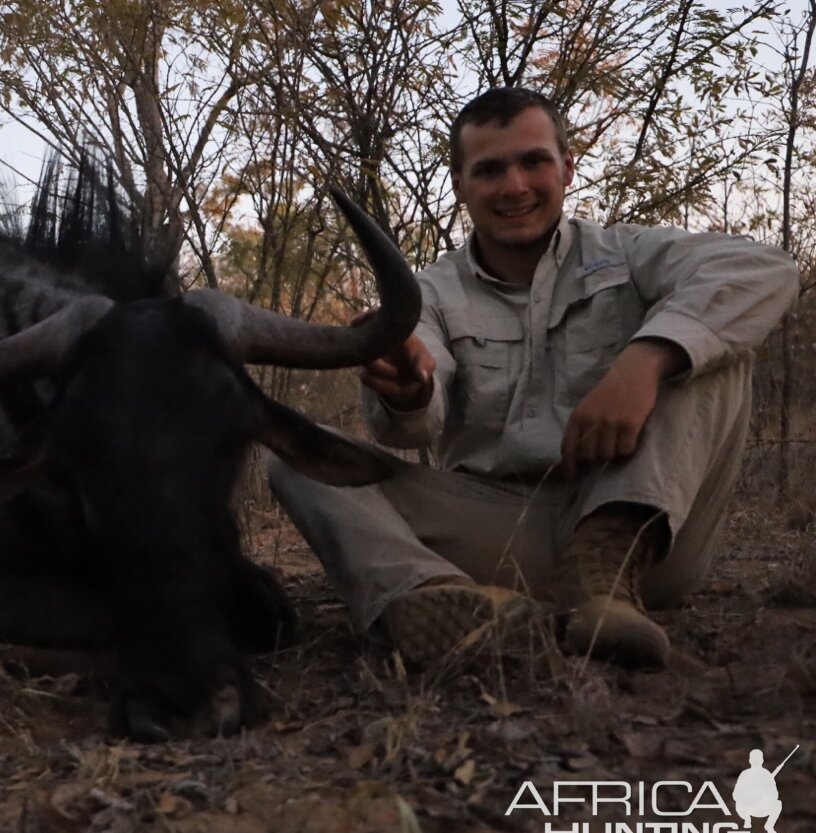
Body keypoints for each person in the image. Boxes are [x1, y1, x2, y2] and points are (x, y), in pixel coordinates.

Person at [269, 87, 799, 669]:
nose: (514, 186)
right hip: (498, 531)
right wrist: (411, 388)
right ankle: (434, 603)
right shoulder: (431, 293)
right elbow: (414, 418)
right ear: (460, 185)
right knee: (292, 452)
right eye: (490, 169)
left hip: (649, 543)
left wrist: (644, 361)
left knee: (710, 342)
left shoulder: (628, 251)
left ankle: (604, 579)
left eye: (533, 161)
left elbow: (763, 268)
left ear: (567, 168)